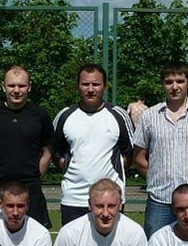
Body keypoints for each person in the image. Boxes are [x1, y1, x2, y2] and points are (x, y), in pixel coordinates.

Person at [134, 61, 188, 238]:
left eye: (180, 81)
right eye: (169, 82)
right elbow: (139, 157)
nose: (174, 87)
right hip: (159, 200)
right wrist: (155, 176)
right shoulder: (149, 116)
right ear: (163, 84)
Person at [53, 64, 134, 226]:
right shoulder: (65, 115)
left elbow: (130, 153)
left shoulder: (118, 115)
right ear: (77, 86)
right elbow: (55, 152)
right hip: (73, 199)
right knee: (73, 242)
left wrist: (115, 168)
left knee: (111, 243)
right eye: (85, 84)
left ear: (104, 86)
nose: (90, 89)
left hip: (109, 199)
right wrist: (68, 166)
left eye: (96, 84)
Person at [0, 66, 55, 228]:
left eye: (21, 86)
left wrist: (35, 176)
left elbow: (48, 151)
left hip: (30, 190)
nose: (16, 90)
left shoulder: (40, 115)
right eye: (11, 85)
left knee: (35, 236)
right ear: (3, 87)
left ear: (29, 87)